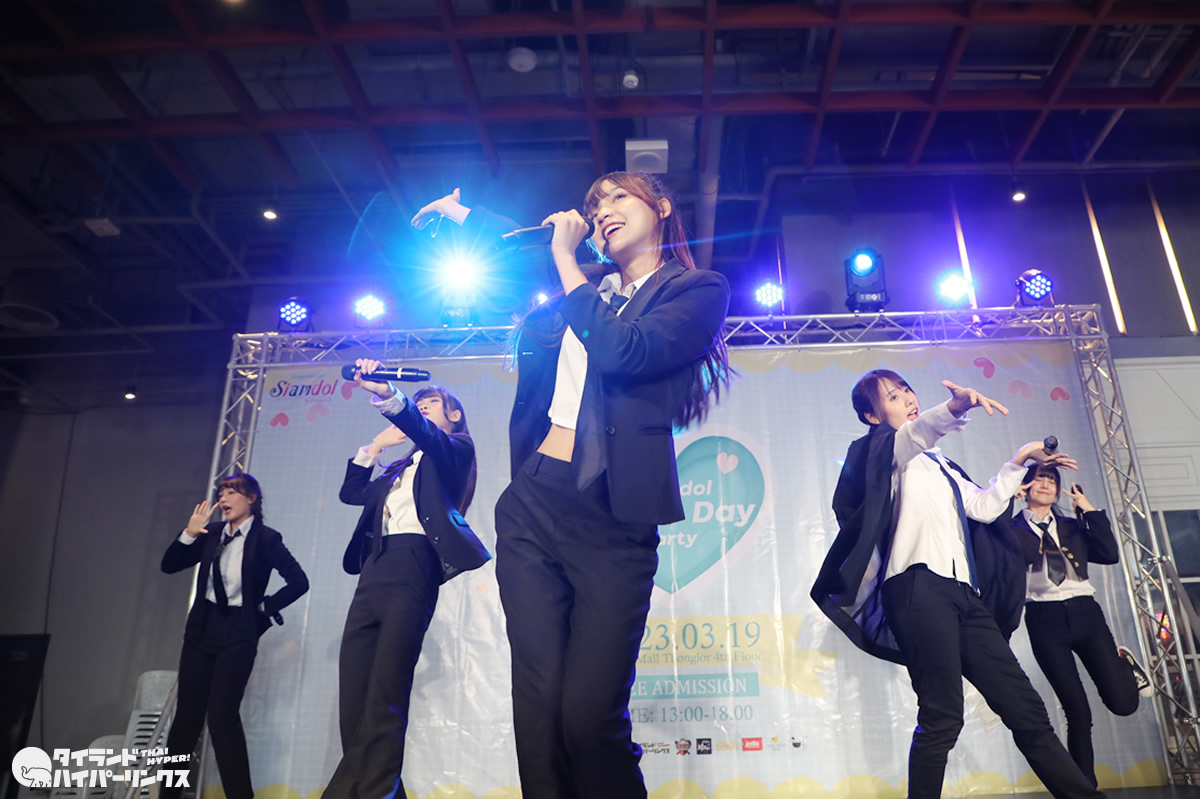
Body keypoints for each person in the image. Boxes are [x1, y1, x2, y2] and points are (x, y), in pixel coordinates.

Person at [413, 173, 731, 797]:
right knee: (538, 713)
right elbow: (520, 253)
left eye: (618, 197)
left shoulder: (696, 289)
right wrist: (462, 213)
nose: (603, 210)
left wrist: (567, 262)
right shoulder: (582, 290)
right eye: (594, 204)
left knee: (588, 719)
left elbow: (625, 353)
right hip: (534, 503)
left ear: (661, 207)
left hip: (613, 515)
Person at [811, 369, 1103, 799]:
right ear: (873, 416)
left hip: (964, 595)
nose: (907, 398)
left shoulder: (941, 464)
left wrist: (1020, 459)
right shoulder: (881, 453)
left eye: (907, 390)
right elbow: (915, 435)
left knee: (1026, 710)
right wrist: (954, 407)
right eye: (893, 397)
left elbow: (984, 507)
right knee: (942, 716)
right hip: (916, 590)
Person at [323, 363, 491, 799]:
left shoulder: (455, 451)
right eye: (420, 403)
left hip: (414, 564)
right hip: (374, 569)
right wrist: (375, 447)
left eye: (431, 402)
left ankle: (366, 791)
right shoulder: (397, 468)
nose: (423, 406)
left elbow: (427, 433)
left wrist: (389, 395)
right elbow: (351, 493)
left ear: (454, 415)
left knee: (386, 688)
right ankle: (376, 790)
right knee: (355, 691)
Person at [161, 474, 309, 799]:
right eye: (221, 492)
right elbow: (169, 565)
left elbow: (299, 581)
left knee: (222, 718)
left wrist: (264, 608)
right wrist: (189, 533)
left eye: (232, 492)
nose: (224, 498)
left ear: (251, 498)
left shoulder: (266, 538)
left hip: (238, 634)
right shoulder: (211, 533)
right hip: (202, 629)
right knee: (186, 718)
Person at [1013, 463, 1152, 788]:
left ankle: (1125, 664)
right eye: (1039, 478)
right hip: (1043, 619)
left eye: (1052, 480)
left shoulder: (1072, 526)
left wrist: (1089, 511)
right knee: (1076, 712)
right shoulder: (1011, 527)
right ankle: (1084, 790)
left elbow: (1109, 553)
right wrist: (1006, 500)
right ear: (1025, 487)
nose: (1046, 484)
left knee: (1123, 704)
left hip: (1085, 613)